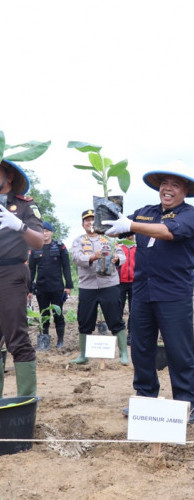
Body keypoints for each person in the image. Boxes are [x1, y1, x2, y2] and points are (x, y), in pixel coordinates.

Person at [104, 165, 194, 424]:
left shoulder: (188, 214)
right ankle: (145, 395)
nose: (167, 188)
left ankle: (185, 403)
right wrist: (107, 212)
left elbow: (168, 231)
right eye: (164, 183)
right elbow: (117, 227)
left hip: (173, 293)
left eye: (175, 185)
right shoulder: (146, 213)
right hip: (142, 292)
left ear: (185, 192)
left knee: (179, 350)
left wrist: (131, 224)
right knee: (141, 347)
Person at [0, 159, 44, 397]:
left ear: (9, 177)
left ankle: (25, 402)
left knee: (16, 338)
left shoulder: (24, 206)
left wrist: (19, 226)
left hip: (11, 274)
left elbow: (39, 242)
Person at [70, 209, 128, 366]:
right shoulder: (78, 241)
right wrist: (92, 256)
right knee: (85, 320)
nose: (90, 223)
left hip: (109, 284)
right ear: (83, 225)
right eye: (86, 220)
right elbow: (76, 257)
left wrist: (117, 259)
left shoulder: (109, 238)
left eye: (92, 220)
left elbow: (122, 255)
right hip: (87, 286)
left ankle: (124, 354)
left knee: (115, 318)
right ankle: (83, 355)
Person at [28, 221, 74, 349]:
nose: (44, 233)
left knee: (58, 314)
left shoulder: (60, 247)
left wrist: (68, 286)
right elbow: (31, 270)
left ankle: (60, 341)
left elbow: (66, 267)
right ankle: (45, 340)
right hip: (41, 288)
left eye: (47, 231)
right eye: (42, 231)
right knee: (44, 315)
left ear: (51, 232)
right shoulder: (35, 248)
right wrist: (29, 289)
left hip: (57, 288)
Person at [117, 232, 136, 345]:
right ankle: (120, 335)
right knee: (118, 310)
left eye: (132, 233)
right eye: (128, 234)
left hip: (135, 282)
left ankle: (131, 335)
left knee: (133, 311)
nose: (130, 235)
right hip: (120, 282)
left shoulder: (137, 247)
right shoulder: (119, 247)